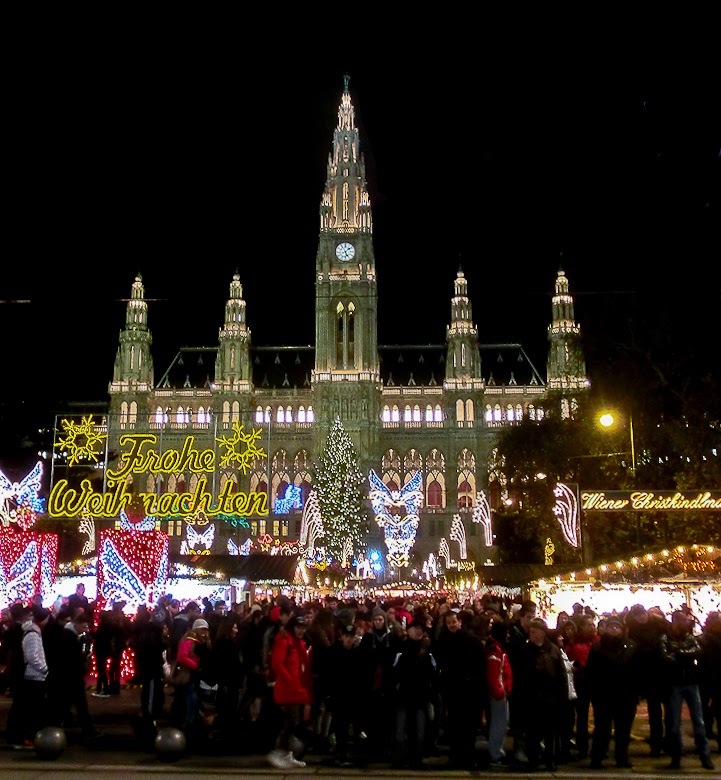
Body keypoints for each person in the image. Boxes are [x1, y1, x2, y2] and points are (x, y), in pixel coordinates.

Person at [660, 610, 715, 770]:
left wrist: (679, 654)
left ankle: (704, 756)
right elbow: (666, 657)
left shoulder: (688, 638)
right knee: (676, 724)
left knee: (698, 722)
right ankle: (677, 757)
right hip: (676, 683)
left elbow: (697, 651)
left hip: (690, 682)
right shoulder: (666, 638)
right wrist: (685, 656)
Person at [434, 607, 486, 769]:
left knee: (467, 726)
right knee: (455, 725)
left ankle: (467, 757)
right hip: (452, 689)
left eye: (453, 622)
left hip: (468, 689)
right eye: (448, 622)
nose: (451, 625)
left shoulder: (471, 640)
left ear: (460, 622)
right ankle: (456, 756)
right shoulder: (444, 640)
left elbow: (480, 664)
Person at [584, 615, 637, 769]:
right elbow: (591, 672)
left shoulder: (631, 647)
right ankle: (597, 756)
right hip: (603, 695)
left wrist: (637, 691)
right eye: (611, 627)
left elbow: (637, 670)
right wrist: (593, 692)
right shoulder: (597, 648)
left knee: (623, 729)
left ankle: (621, 756)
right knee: (602, 728)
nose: (614, 630)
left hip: (626, 695)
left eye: (617, 627)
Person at [515, 617, 567, 772]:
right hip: (531, 698)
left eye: (535, 632)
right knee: (532, 732)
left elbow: (561, 675)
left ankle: (550, 760)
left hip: (550, 697)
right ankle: (533, 760)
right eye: (531, 632)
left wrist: (561, 696)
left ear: (543, 633)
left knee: (550, 732)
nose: (532, 634)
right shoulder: (525, 650)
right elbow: (520, 675)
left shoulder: (553, 650)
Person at [389, 619, 439, 770]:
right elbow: (393, 671)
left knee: (419, 731)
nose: (418, 631)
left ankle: (416, 759)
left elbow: (433, 672)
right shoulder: (401, 649)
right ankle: (400, 758)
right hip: (403, 696)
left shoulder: (427, 650)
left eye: (421, 629)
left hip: (420, 696)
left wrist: (430, 688)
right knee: (400, 730)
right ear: (409, 630)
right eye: (416, 628)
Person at [267, 612, 313, 769]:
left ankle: (287, 754)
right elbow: (277, 664)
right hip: (288, 689)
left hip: (295, 689)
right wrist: (291, 680)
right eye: (299, 627)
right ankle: (281, 752)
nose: (301, 630)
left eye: (303, 627)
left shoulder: (296, 643)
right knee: (290, 723)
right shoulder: (285, 641)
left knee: (292, 723)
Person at [625, 603, 671, 756]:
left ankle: (668, 743)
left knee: (669, 711)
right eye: (638, 615)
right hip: (649, 676)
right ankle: (657, 744)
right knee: (655, 712)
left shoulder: (657, 624)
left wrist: (660, 618)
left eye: (642, 614)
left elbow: (669, 632)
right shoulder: (633, 629)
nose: (641, 617)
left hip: (663, 673)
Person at [324, 623, 364, 766]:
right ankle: (340, 754)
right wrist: (328, 695)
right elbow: (327, 675)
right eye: (346, 636)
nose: (348, 639)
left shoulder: (356, 653)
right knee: (340, 726)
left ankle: (344, 753)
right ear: (341, 637)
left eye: (351, 636)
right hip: (338, 696)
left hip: (351, 696)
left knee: (346, 726)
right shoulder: (333, 652)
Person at [171, 617, 211, 737]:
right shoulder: (190, 640)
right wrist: (195, 665)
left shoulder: (200, 641)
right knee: (190, 701)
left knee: (192, 701)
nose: (204, 632)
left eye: (205, 629)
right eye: (201, 629)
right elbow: (182, 657)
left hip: (194, 676)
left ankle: (189, 726)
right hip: (189, 676)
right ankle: (187, 726)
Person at [17, 606, 52, 747]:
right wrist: (44, 669)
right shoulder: (32, 635)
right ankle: (29, 736)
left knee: (35, 708)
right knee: (34, 709)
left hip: (36, 675)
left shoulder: (34, 633)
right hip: (34, 676)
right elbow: (32, 657)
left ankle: (31, 735)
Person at [485, 615, 513, 769]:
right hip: (498, 695)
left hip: (500, 693)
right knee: (499, 724)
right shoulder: (495, 651)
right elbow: (494, 674)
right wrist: (500, 692)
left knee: (500, 724)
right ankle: (495, 755)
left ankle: (496, 753)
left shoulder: (497, 649)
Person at [4, 603, 34, 748]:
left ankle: (14, 734)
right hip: (20, 670)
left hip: (16, 669)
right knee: (20, 704)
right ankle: (16, 735)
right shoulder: (19, 630)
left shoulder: (13, 629)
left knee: (19, 703)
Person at [698, 611, 721, 755]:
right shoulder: (704, 639)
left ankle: (706, 735)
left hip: (706, 677)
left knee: (706, 709)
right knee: (710, 708)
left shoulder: (702, 639)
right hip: (708, 677)